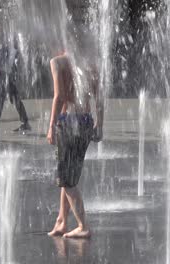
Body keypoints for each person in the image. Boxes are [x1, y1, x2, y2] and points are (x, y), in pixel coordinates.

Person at [46, 48, 103, 238]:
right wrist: (99, 124)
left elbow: (59, 96)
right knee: (70, 175)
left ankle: (82, 225)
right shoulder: (90, 63)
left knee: (67, 180)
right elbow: (99, 98)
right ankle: (62, 221)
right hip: (86, 122)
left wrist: (51, 125)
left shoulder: (58, 62)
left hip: (69, 123)